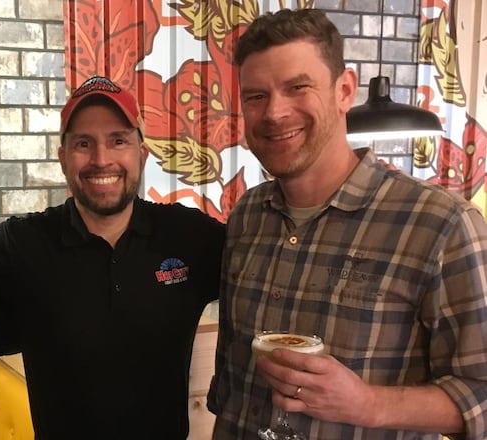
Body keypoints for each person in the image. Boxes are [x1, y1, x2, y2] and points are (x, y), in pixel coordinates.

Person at [207, 8, 487, 440]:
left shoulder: (442, 225)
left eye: (297, 87)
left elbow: (481, 394)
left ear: (345, 90)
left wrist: (368, 404)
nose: (275, 113)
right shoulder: (247, 216)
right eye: (256, 96)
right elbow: (231, 384)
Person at [0, 76, 225, 439]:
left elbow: (263, 267)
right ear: (63, 159)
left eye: (118, 140)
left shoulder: (189, 235)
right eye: (83, 143)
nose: (101, 159)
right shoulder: (19, 244)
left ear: (141, 154)